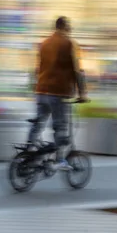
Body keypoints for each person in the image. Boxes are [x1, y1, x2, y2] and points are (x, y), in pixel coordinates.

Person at [27, 16, 88, 169]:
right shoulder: (69, 44)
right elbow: (77, 70)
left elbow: (37, 69)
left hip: (41, 91)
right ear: (65, 27)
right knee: (60, 127)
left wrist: (36, 87)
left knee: (38, 124)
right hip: (59, 92)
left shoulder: (44, 43)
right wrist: (82, 94)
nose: (71, 30)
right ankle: (60, 160)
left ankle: (29, 154)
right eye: (69, 27)